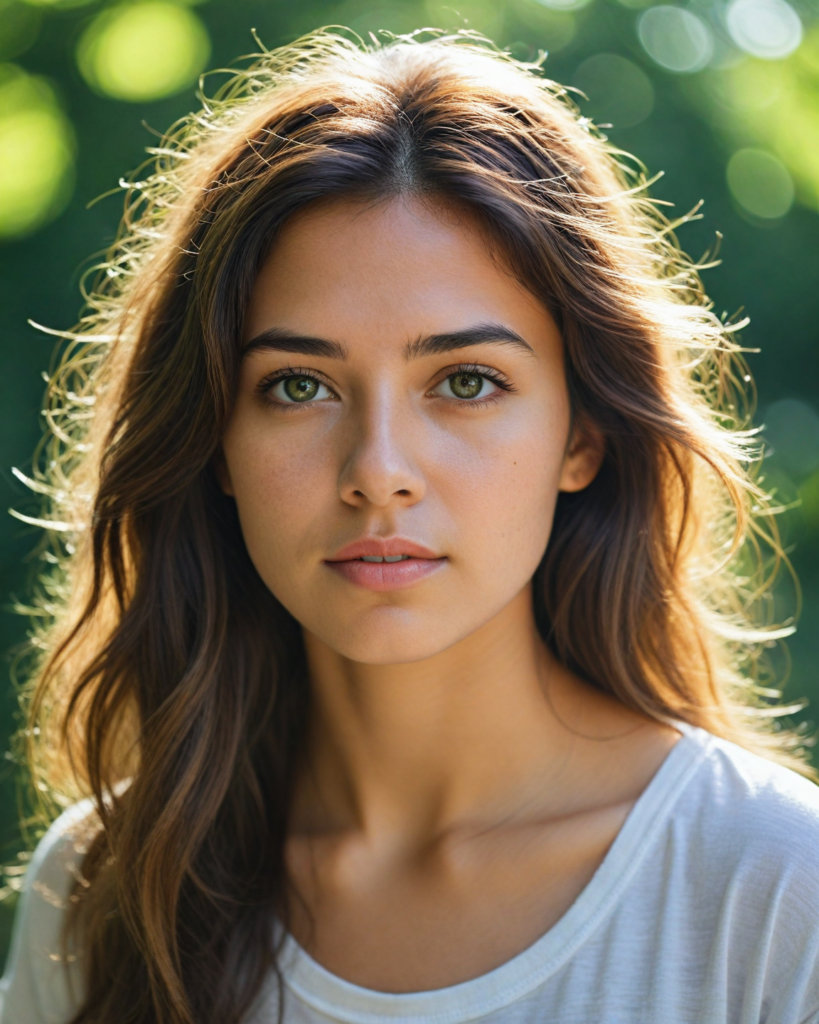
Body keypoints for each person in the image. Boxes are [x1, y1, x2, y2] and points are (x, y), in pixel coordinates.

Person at [1, 28, 818, 1024]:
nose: (378, 470)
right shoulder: (105, 892)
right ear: (215, 439)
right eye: (297, 386)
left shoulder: (775, 890)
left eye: (466, 382)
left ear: (584, 434)